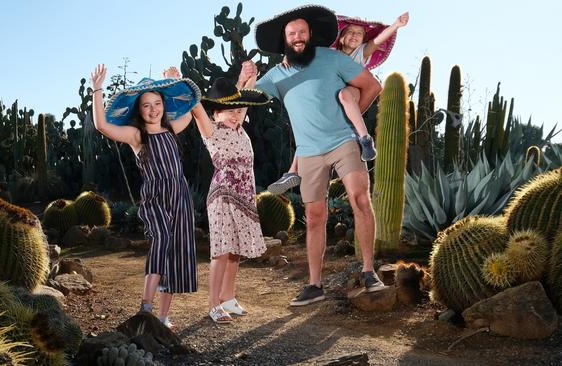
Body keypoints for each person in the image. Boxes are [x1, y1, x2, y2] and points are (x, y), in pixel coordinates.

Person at [238, 4, 387, 306]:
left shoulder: (331, 58)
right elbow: (246, 100)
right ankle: (314, 285)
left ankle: (369, 271)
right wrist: (244, 79)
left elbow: (372, 85)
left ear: (310, 35)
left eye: (302, 32)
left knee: (359, 197)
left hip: (344, 140)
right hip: (308, 152)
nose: (298, 37)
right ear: (284, 40)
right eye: (292, 33)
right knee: (315, 216)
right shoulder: (276, 75)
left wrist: (352, 120)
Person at [91, 64, 199, 330]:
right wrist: (97, 89)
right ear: (138, 110)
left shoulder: (173, 127)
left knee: (175, 253)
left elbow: (193, 106)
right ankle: (145, 308)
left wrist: (175, 81)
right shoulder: (136, 135)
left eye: (158, 103)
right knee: (161, 242)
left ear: (163, 104)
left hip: (180, 195)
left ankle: (162, 317)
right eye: (147, 105)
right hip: (156, 196)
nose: (153, 110)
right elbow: (102, 125)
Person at [267, 11, 409, 196]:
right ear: (341, 38)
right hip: (331, 101)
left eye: (359, 34)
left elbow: (377, 41)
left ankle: (365, 139)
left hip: (353, 91)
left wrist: (396, 24)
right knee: (310, 131)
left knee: (344, 95)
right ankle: (292, 172)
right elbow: (304, 50)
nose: (355, 36)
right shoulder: (329, 54)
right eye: (350, 32)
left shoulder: (361, 52)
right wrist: (288, 56)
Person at [190, 77, 272, 324]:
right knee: (222, 251)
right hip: (223, 196)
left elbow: (242, 96)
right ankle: (214, 304)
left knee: (236, 250)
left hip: (244, 195)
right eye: (229, 112)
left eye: (238, 111)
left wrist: (249, 76)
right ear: (216, 115)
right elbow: (197, 109)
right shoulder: (212, 131)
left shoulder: (239, 127)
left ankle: (228, 297)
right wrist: (180, 82)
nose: (235, 115)